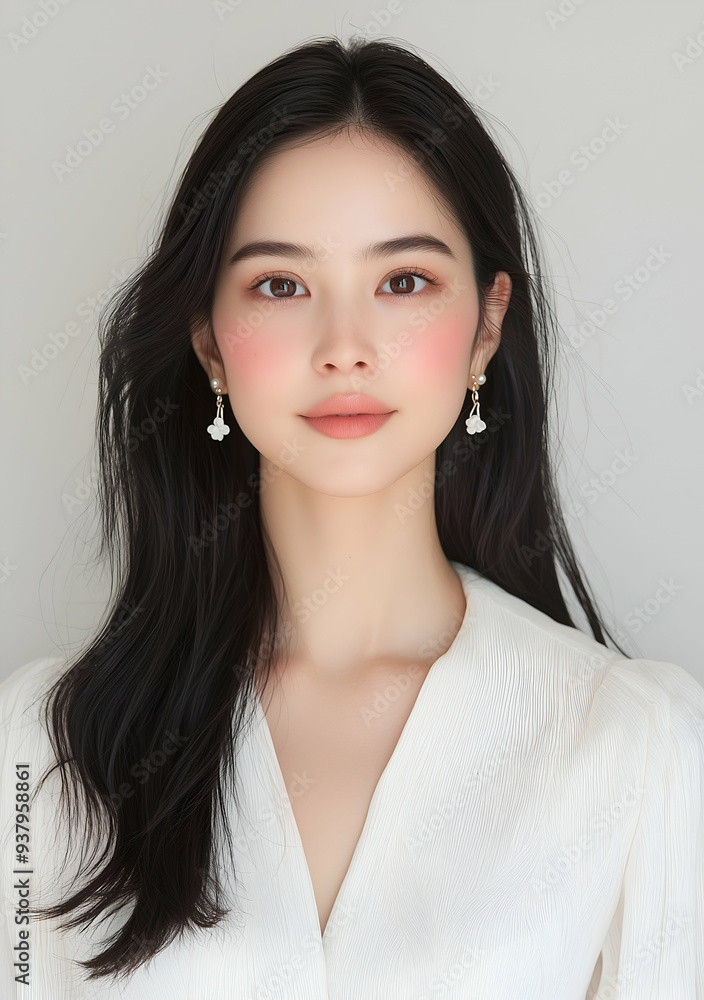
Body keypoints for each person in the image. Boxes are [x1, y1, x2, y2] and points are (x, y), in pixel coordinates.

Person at [1, 35, 702, 999]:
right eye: (280, 286)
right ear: (209, 338)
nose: (345, 347)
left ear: (487, 326)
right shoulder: (47, 746)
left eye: (404, 282)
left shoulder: (632, 748)